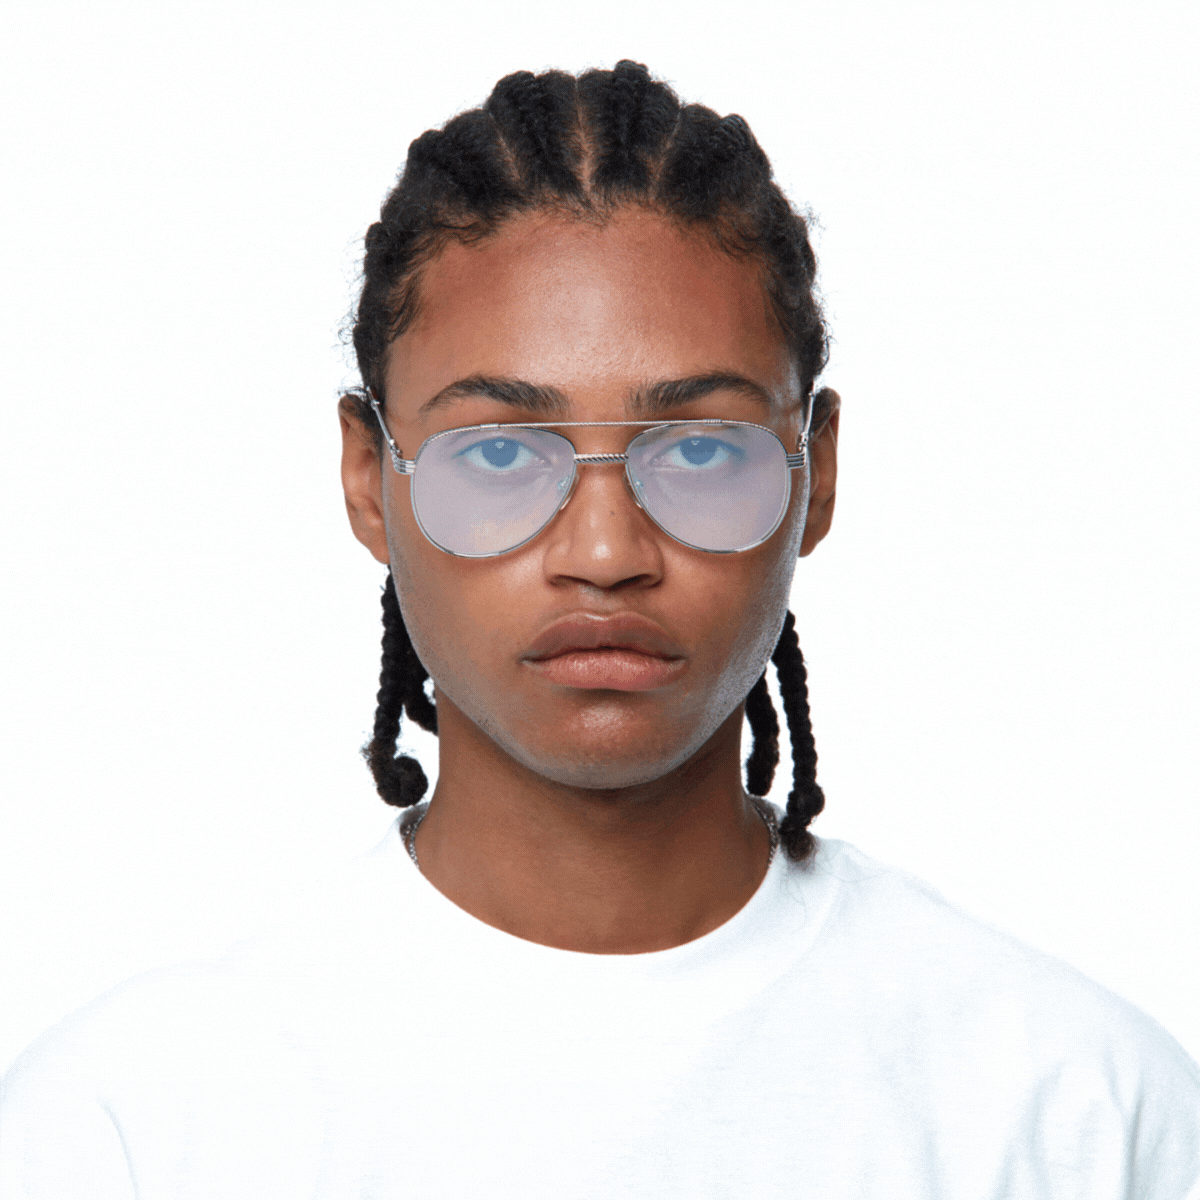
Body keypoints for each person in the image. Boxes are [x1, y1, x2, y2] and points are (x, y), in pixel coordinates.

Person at [1, 60, 1197, 1199]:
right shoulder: (130, 1128)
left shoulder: (1076, 1109)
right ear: (369, 477)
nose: (606, 550)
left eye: (705, 449)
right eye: (499, 452)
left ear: (817, 470)